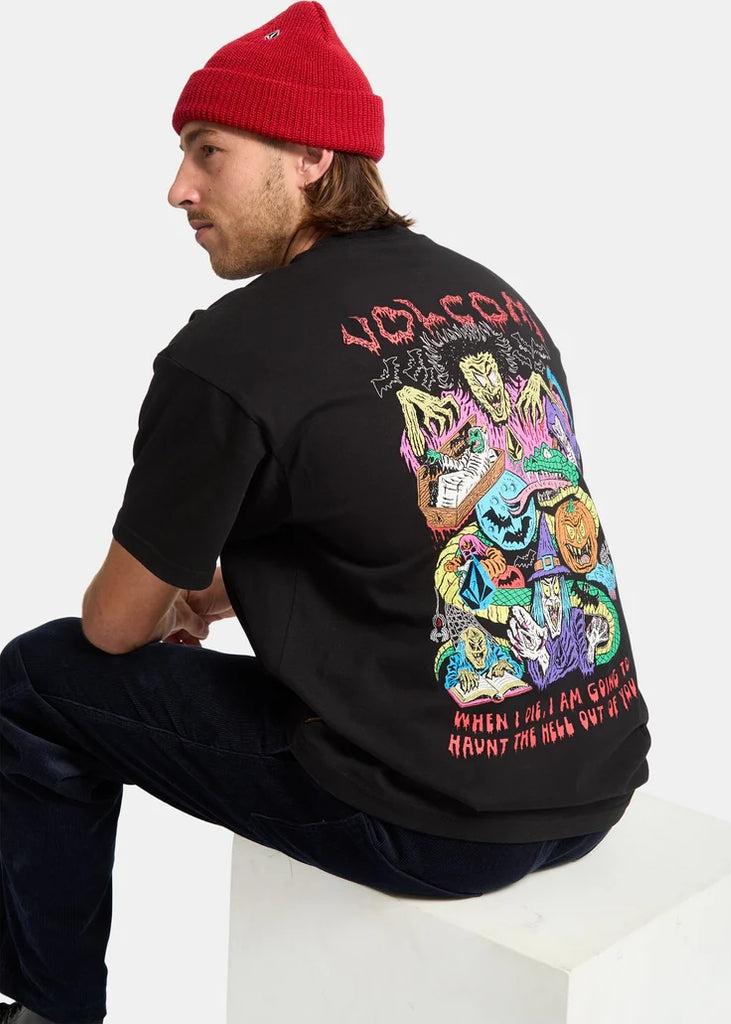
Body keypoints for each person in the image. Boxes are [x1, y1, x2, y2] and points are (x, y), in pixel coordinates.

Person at [0, 3, 651, 1021]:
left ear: (309, 156)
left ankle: (51, 1011)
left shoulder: (232, 352)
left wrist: (164, 592)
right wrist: (218, 591)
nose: (178, 189)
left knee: (36, 682)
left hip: (434, 825)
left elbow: (114, 628)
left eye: (207, 151)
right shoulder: (489, 299)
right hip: (594, 781)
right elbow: (449, 518)